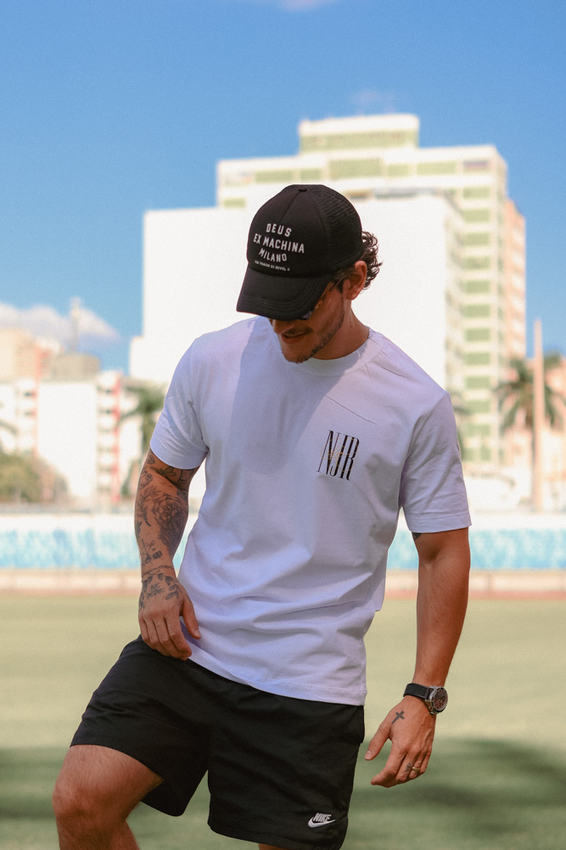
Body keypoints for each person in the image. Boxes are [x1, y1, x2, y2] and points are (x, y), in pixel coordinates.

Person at [53, 184, 471, 850]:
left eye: (298, 307)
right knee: (80, 802)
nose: (279, 326)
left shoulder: (415, 404)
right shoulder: (212, 359)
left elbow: (442, 550)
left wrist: (426, 695)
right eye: (267, 304)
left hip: (309, 681)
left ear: (353, 281)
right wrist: (158, 574)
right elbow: (164, 475)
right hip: (190, 646)